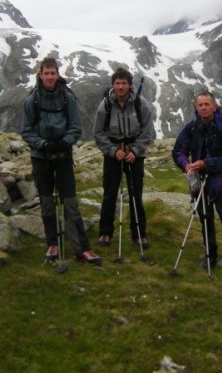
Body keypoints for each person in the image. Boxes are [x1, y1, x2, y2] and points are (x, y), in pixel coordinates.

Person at [20, 57, 101, 266]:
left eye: (52, 73)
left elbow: (76, 126)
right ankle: (52, 244)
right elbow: (26, 130)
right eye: (46, 73)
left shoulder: (67, 98)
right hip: (41, 157)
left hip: (63, 156)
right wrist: (42, 144)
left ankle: (81, 248)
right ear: (40, 75)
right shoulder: (33, 100)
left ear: (58, 74)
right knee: (47, 202)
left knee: (70, 202)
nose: (49, 77)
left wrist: (65, 142)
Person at [172, 91, 222, 273]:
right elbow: (178, 150)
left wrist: (206, 163)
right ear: (196, 107)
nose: (203, 108)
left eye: (207, 104)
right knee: (205, 218)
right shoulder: (192, 127)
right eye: (200, 105)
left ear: (214, 106)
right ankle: (210, 255)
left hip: (220, 178)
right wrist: (186, 164)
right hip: (196, 178)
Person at [93, 67, 155, 249]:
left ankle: (139, 234)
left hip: (135, 155)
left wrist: (135, 150)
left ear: (130, 85)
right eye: (117, 83)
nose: (120, 87)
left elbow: (148, 131)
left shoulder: (140, 103)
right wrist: (113, 151)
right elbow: (98, 133)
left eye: (124, 83)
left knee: (136, 194)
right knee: (110, 192)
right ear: (113, 85)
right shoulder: (105, 105)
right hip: (113, 153)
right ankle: (105, 232)